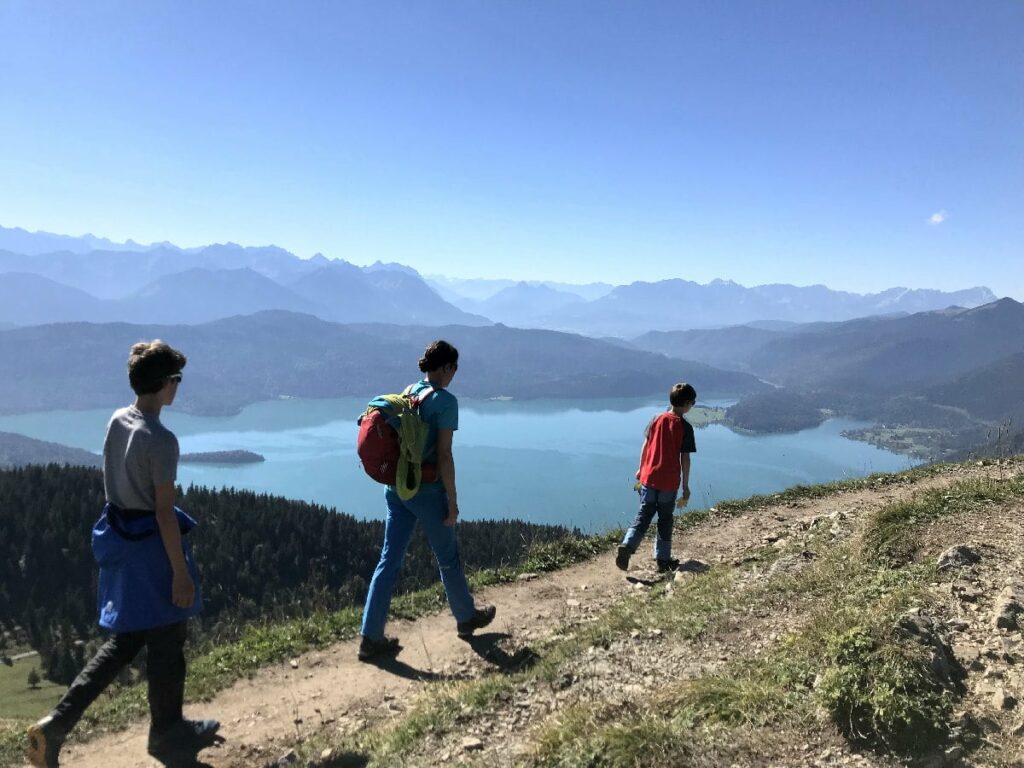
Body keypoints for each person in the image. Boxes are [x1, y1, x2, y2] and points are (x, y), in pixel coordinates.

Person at [27, 341, 219, 768]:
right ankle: (167, 733)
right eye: (177, 380)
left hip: (120, 542)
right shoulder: (161, 440)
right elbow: (165, 515)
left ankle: (55, 725)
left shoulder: (118, 420)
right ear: (165, 384)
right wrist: (180, 575)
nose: (178, 388)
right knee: (169, 641)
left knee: (124, 642)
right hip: (152, 550)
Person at [358, 340, 496, 661]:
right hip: (426, 490)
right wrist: (452, 499)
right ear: (446, 367)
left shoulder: (411, 390)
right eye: (454, 369)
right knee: (447, 557)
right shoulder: (446, 402)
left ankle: (370, 636)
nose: (454, 376)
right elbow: (445, 454)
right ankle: (465, 618)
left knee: (388, 560)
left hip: (396, 487)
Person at [616, 383, 697, 573]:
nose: (692, 406)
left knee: (644, 515)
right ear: (686, 404)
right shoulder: (684, 427)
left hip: (649, 478)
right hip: (668, 483)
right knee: (665, 520)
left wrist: (641, 468)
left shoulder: (655, 419)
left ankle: (628, 545)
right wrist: (685, 486)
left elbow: (645, 445)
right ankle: (663, 559)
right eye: (692, 403)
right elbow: (685, 459)